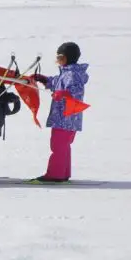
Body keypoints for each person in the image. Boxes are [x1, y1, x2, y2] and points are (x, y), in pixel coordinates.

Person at [30, 41, 88, 182]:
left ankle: (55, 174)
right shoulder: (68, 72)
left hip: (66, 116)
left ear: (68, 57)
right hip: (66, 117)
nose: (58, 60)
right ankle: (63, 173)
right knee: (63, 145)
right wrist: (44, 79)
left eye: (60, 57)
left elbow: (76, 92)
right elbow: (57, 82)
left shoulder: (73, 75)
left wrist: (62, 94)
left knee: (58, 145)